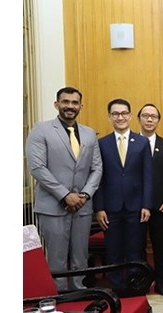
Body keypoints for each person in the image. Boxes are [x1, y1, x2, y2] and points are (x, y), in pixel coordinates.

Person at [25, 86, 103, 291]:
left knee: (80, 256)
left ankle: (80, 292)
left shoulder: (88, 134)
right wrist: (65, 195)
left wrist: (85, 194)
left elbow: (97, 168)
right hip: (53, 206)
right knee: (57, 259)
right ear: (57, 104)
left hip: (82, 207)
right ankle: (58, 297)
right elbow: (37, 168)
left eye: (74, 102)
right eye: (66, 102)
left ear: (81, 106)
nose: (70, 106)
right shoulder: (41, 130)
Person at [94, 98, 153, 289]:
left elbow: (147, 176)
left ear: (129, 115)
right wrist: (99, 207)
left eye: (123, 113)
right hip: (110, 208)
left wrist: (146, 204)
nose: (120, 117)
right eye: (115, 114)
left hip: (136, 207)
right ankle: (117, 288)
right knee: (114, 251)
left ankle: (135, 286)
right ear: (109, 116)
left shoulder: (142, 142)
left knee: (135, 249)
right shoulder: (101, 143)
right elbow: (98, 178)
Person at [137, 103, 163, 296]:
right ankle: (141, 282)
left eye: (153, 116)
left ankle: (161, 283)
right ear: (139, 119)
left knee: (160, 248)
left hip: (160, 206)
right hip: (136, 206)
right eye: (145, 116)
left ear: (158, 120)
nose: (149, 119)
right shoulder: (131, 143)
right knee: (137, 247)